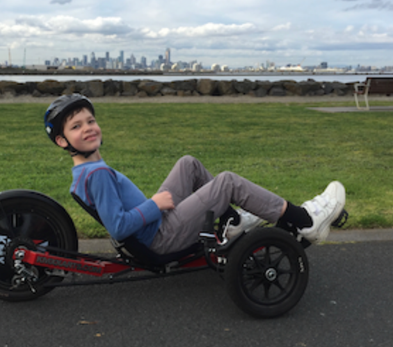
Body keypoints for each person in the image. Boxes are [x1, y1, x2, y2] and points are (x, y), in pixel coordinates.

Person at [44, 94, 346, 255]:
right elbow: (119, 227)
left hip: (154, 224)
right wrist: (155, 205)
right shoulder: (96, 175)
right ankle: (305, 221)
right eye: (76, 126)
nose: (88, 128)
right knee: (227, 180)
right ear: (62, 141)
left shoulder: (88, 170)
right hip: (159, 237)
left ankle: (231, 222)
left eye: (91, 120)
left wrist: (154, 206)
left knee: (188, 163)